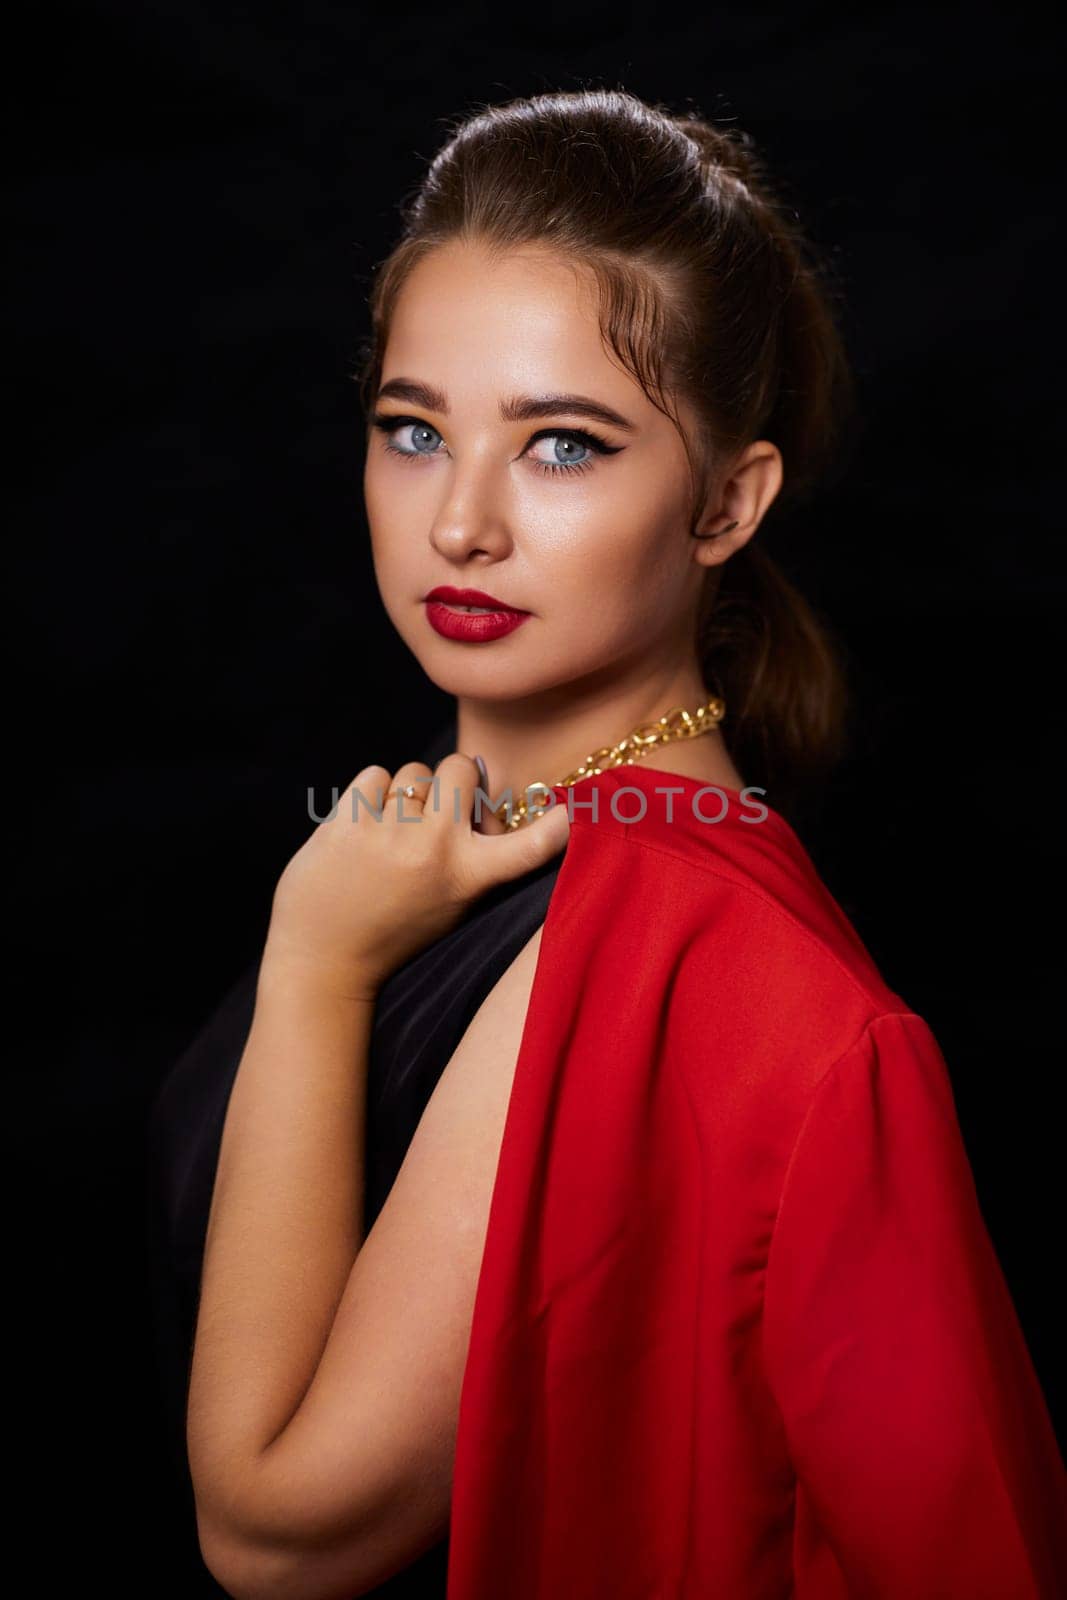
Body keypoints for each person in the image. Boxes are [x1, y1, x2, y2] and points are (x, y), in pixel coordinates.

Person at [147, 88, 1066, 1598]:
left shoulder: (678, 950)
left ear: (724, 502)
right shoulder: (453, 857)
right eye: (412, 430)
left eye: (563, 446)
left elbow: (273, 1531)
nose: (460, 524)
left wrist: (314, 959)